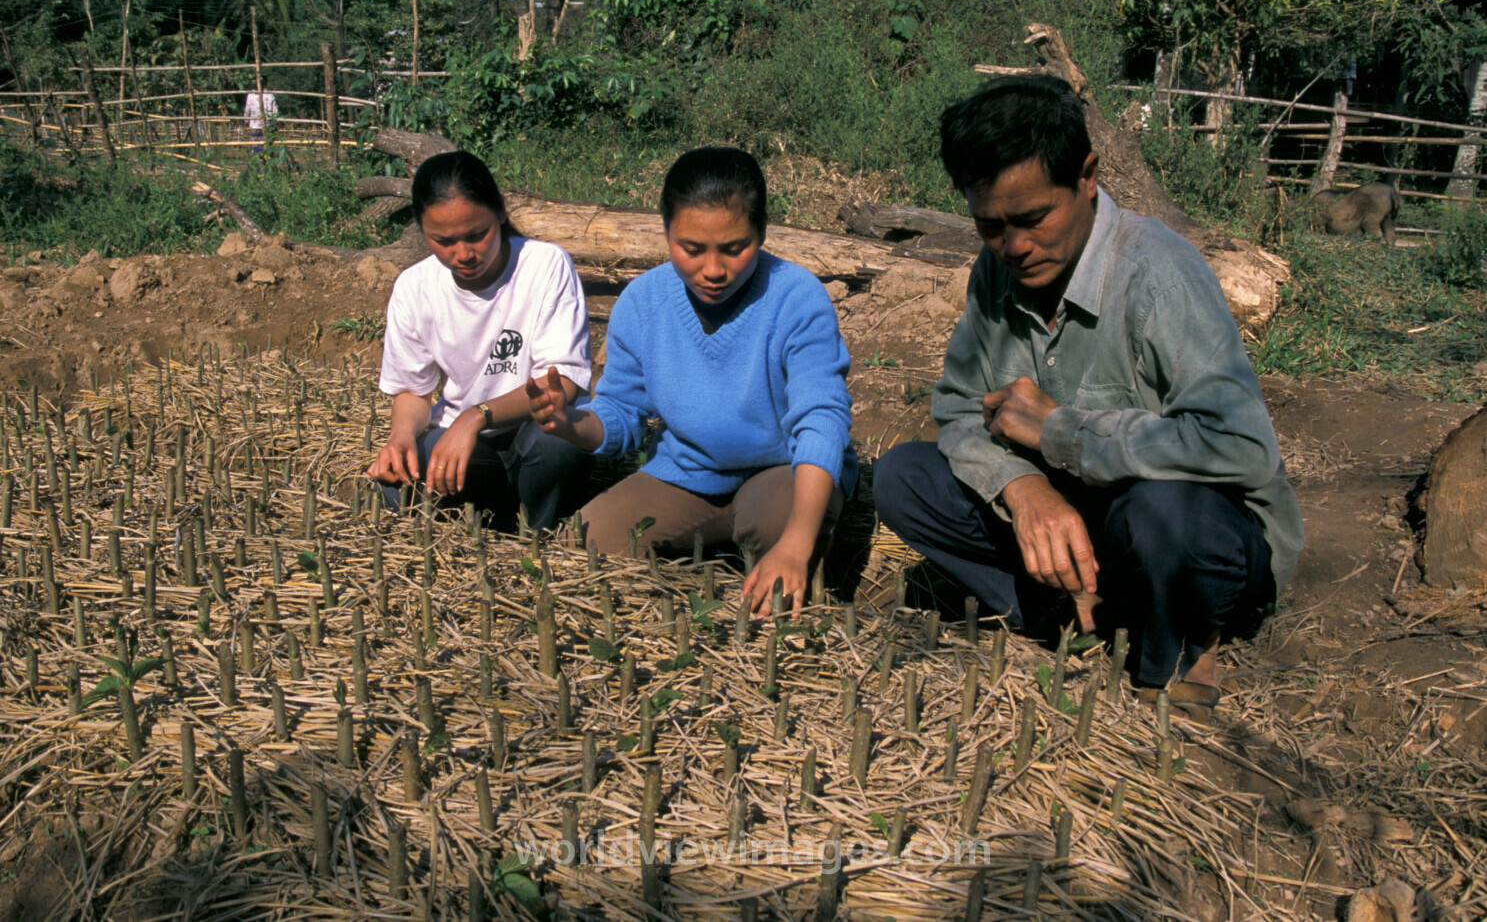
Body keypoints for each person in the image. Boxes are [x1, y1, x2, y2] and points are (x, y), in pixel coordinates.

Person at [872, 76, 1303, 721]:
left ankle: (1183, 639)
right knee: (904, 477)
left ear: (1088, 175)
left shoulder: (1159, 272)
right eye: (990, 226)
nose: (1015, 247)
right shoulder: (995, 271)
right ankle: (1079, 607)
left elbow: (1239, 447)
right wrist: (1024, 491)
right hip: (1086, 526)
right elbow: (960, 409)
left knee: (1161, 516)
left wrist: (1061, 433)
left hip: (1185, 532)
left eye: (1034, 218)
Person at [526, 147, 857, 617]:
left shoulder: (796, 297)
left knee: (777, 530)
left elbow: (821, 419)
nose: (714, 270)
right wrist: (570, 423)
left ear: (762, 235)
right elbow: (620, 414)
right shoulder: (643, 303)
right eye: (692, 249)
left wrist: (795, 545)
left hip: (779, 470)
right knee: (587, 543)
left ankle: (785, 542)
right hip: (686, 474)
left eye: (735, 247)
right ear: (666, 234)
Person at [368, 150, 591, 530]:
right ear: (422, 230)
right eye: (443, 241)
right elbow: (413, 392)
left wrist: (476, 416)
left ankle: (539, 531)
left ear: (501, 213)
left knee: (556, 437)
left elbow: (563, 384)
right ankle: (498, 513)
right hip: (469, 446)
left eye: (477, 234)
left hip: (531, 431)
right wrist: (402, 436)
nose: (463, 254)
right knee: (408, 469)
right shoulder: (414, 288)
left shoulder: (545, 265)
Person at [244, 89, 278, 153]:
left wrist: (246, 120)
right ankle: (263, 157)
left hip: (257, 124)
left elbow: (247, 109)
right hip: (266, 124)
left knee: (257, 142)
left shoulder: (251, 95)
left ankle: (259, 157)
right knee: (266, 142)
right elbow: (275, 111)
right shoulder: (270, 95)